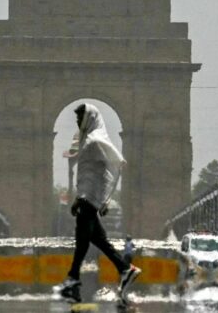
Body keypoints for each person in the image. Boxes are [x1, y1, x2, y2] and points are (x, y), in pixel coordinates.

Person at [57, 103, 141, 304]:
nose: (78, 123)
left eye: (80, 119)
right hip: (88, 199)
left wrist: (98, 199)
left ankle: (72, 279)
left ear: (89, 119)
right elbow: (93, 173)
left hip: (89, 200)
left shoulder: (93, 142)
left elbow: (106, 171)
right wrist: (91, 198)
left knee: (82, 241)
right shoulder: (91, 141)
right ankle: (124, 269)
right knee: (98, 240)